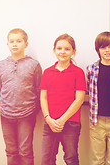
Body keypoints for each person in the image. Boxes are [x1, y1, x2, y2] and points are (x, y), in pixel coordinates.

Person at [0, 28, 42, 165]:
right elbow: (0, 88)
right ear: (7, 44)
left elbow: (38, 88)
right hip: (6, 114)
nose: (15, 44)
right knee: (11, 151)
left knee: (25, 150)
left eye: (19, 41)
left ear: (26, 44)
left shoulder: (34, 65)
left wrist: (34, 110)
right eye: (11, 41)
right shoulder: (0, 65)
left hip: (26, 114)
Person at [39, 34, 86, 165]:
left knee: (71, 159)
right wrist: (48, 118)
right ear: (54, 50)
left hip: (71, 122)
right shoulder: (47, 72)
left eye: (67, 49)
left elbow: (79, 99)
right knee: (46, 159)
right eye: (59, 48)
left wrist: (62, 120)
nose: (63, 52)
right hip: (50, 123)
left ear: (73, 52)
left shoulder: (78, 72)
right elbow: (43, 97)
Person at [86, 32, 110, 165]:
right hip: (97, 121)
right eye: (103, 47)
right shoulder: (91, 69)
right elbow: (88, 90)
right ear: (98, 50)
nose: (107, 51)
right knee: (97, 159)